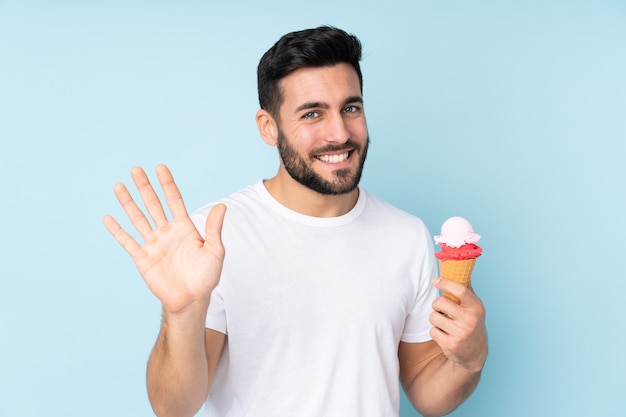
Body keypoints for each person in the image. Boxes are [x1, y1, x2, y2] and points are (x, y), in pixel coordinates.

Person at [104, 26, 488, 417]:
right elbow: (174, 407)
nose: (339, 133)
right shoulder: (212, 238)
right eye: (312, 113)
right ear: (268, 127)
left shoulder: (406, 236)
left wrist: (469, 361)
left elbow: (427, 393)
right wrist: (182, 312)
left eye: (350, 108)